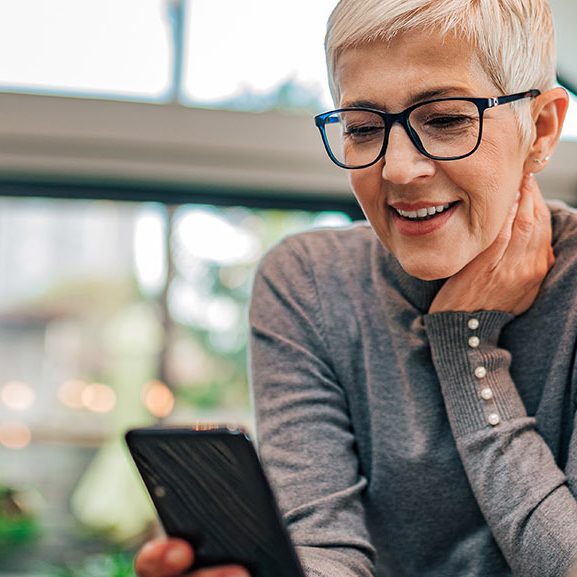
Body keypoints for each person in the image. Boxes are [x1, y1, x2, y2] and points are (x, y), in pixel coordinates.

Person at [134, 0, 577, 575]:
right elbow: (326, 549)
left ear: (540, 129)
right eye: (363, 129)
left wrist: (468, 349)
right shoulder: (309, 285)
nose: (397, 169)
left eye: (445, 120)